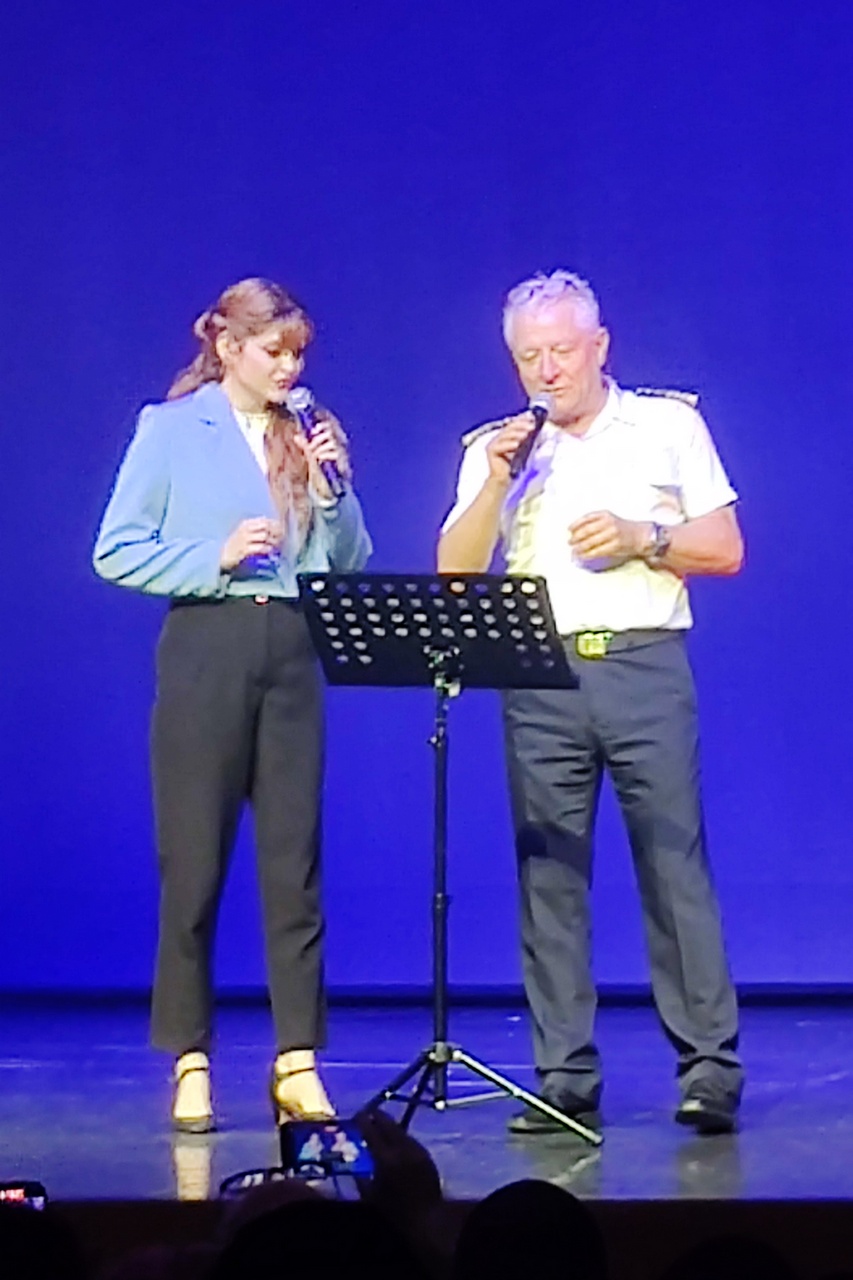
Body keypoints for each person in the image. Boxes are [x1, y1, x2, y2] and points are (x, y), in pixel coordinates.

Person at [438, 269, 744, 1135]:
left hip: (643, 664)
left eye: (562, 351)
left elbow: (725, 547)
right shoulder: (495, 449)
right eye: (528, 356)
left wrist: (645, 537)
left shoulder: (666, 426)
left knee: (672, 863)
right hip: (540, 673)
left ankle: (708, 1068)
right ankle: (563, 1075)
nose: (547, 370)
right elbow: (455, 572)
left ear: (599, 347)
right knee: (549, 876)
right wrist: (497, 482)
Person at [94, 277, 372, 1132]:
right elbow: (115, 549)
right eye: (273, 352)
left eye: (297, 354)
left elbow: (348, 563)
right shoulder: (172, 428)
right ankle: (190, 1057)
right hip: (207, 647)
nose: (289, 369)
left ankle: (298, 1060)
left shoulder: (303, 433)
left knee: (294, 864)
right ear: (228, 347)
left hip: (290, 648)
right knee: (195, 862)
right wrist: (209, 557)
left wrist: (331, 492)